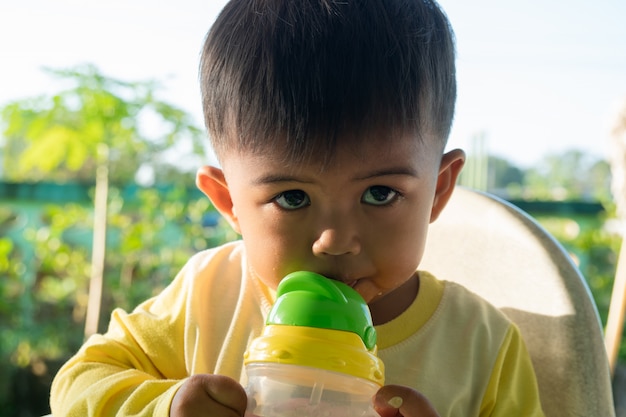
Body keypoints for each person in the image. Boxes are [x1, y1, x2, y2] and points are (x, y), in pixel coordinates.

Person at [50, 0, 545, 416]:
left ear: (437, 190)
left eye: (380, 193)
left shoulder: (481, 346)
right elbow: (77, 386)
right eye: (292, 198)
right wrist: (164, 405)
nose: (335, 240)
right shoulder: (207, 296)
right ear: (230, 204)